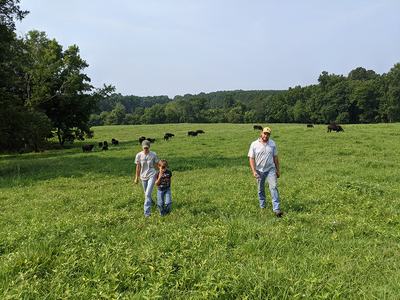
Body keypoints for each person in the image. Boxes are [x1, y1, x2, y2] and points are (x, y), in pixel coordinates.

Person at [248, 126, 283, 217]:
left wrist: (277, 170)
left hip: (271, 169)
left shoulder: (272, 144)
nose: (266, 136)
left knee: (274, 187)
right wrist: (254, 171)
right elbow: (251, 158)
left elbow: (275, 158)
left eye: (268, 134)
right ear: (261, 133)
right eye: (264, 133)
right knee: (260, 189)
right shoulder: (254, 144)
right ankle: (262, 207)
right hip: (259, 170)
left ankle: (276, 209)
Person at [134, 140, 159, 217]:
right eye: (144, 148)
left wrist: (160, 173)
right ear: (142, 147)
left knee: (147, 193)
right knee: (146, 194)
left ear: (149, 147)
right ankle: (154, 203)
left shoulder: (153, 154)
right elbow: (138, 167)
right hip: (143, 177)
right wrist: (136, 178)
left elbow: (157, 164)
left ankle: (147, 213)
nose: (146, 149)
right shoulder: (139, 155)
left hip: (152, 174)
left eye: (147, 148)